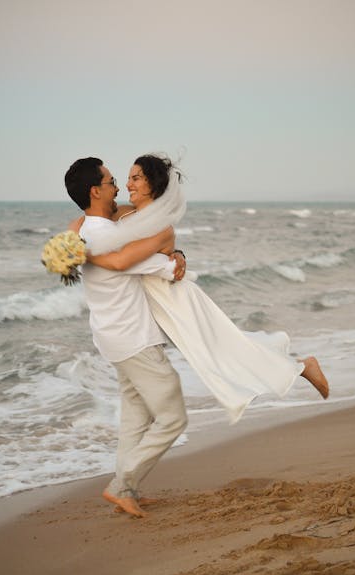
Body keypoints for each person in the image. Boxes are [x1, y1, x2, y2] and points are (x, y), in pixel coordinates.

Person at [86, 154, 329, 424]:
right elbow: (91, 220)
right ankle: (298, 367)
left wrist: (82, 255)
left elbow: (127, 260)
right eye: (128, 178)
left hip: (176, 300)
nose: (128, 184)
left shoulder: (161, 226)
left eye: (136, 178)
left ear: (152, 184)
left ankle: (303, 367)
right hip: (158, 304)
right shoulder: (127, 214)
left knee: (221, 352)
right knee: (223, 349)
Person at [65, 157, 188, 518]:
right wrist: (172, 251)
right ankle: (121, 484)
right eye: (112, 180)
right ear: (96, 190)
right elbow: (164, 270)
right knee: (173, 418)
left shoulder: (87, 228)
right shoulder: (105, 236)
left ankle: (128, 490)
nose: (118, 186)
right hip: (134, 338)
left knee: (135, 416)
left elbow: (123, 248)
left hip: (112, 337)